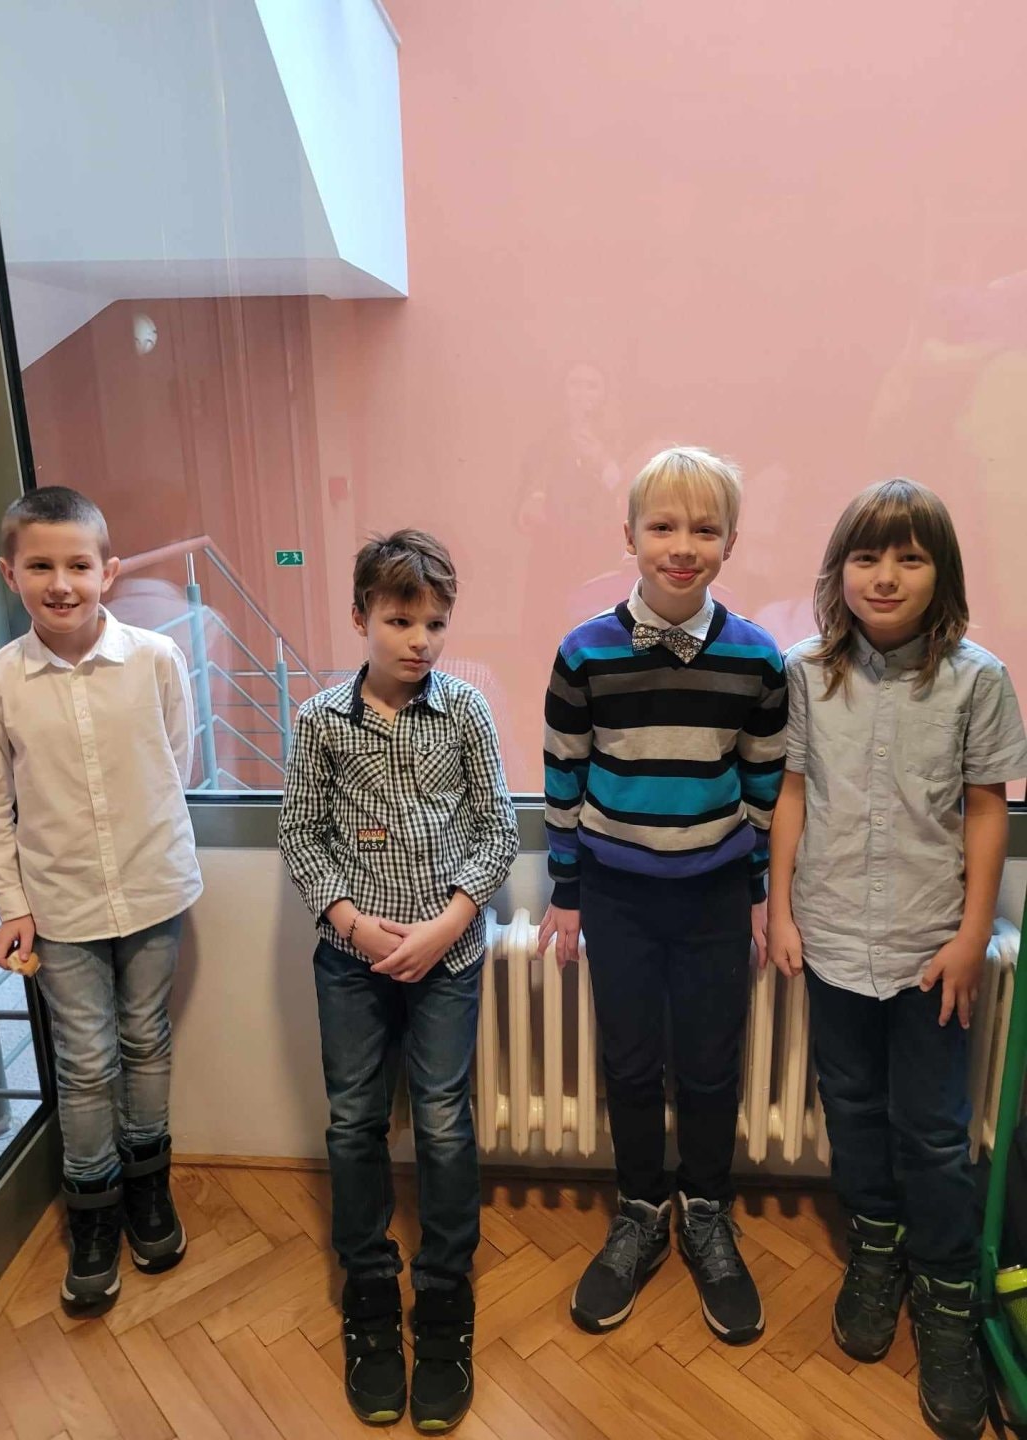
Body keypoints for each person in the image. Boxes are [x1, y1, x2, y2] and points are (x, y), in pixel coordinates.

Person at [767, 477, 1027, 1440]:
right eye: (867, 556)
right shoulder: (805, 673)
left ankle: (947, 1293)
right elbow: (792, 792)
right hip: (832, 936)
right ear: (840, 570)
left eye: (909, 558)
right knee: (851, 1103)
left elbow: (987, 808)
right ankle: (875, 1246)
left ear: (940, 573)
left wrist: (970, 935)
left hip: (930, 947)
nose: (885, 575)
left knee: (933, 1125)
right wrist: (778, 908)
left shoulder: (978, 679)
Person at [539, 447, 787, 1341]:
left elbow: (763, 786)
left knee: (712, 1063)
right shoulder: (584, 651)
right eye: (663, 527)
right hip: (618, 894)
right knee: (632, 1061)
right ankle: (641, 1209)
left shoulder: (758, 658)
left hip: (715, 893)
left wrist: (759, 893)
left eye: (705, 529)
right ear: (631, 535)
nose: (683, 546)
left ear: (730, 542)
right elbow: (563, 777)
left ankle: (706, 1210)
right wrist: (566, 891)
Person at [277, 529, 518, 1432]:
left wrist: (448, 925)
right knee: (354, 1120)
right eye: (400, 621)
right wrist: (352, 923)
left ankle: (445, 1296)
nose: (420, 640)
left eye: (435, 624)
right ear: (361, 619)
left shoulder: (465, 712)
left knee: (445, 1120)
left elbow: (497, 830)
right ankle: (370, 1290)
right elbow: (301, 835)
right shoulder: (319, 721)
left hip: (447, 957)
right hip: (352, 960)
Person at [0, 486, 201, 1317]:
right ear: (9, 574)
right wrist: (10, 901)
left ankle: (149, 1190)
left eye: (78, 565)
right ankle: (93, 1214)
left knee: (146, 1041)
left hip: (153, 888)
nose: (61, 584)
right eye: (40, 567)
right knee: (86, 1061)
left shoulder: (156, 659)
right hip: (58, 907)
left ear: (109, 571)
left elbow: (175, 761)